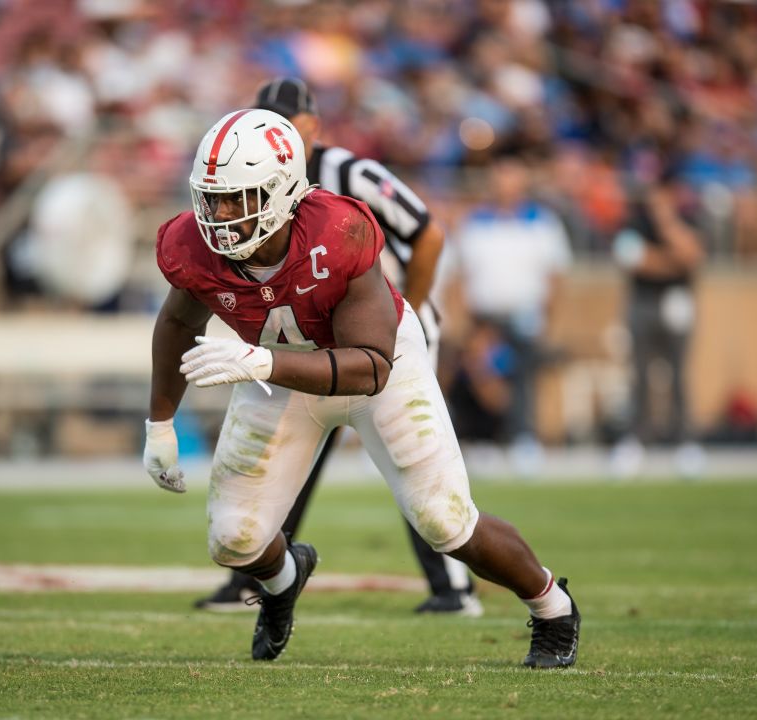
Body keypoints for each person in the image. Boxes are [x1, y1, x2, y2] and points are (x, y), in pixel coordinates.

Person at [144, 109, 581, 667]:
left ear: (280, 193)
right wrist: (159, 423)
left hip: (379, 369)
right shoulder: (193, 244)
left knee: (446, 522)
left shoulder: (338, 231)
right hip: (277, 375)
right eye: (212, 198)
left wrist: (258, 359)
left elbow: (370, 365)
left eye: (238, 198)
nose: (221, 215)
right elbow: (178, 322)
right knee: (234, 539)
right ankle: (283, 581)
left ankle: (553, 606)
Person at [192, 77, 480, 617]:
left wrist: (406, 313)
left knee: (410, 452)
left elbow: (428, 234)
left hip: (378, 331)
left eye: (291, 124)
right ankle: (256, 578)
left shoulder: (349, 172)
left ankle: (453, 588)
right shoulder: (251, 174)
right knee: (293, 445)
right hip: (311, 334)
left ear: (313, 127)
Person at [445, 147, 572, 477]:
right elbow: (460, 274)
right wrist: (463, 320)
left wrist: (550, 319)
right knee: (478, 378)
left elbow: (555, 275)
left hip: (525, 314)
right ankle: (484, 438)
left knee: (524, 378)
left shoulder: (542, 223)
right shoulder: (474, 222)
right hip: (485, 317)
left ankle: (523, 438)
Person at [609, 166, 706, 478]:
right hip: (643, 304)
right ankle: (636, 439)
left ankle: (685, 442)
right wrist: (671, 262)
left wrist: (667, 227)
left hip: (678, 306)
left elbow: (692, 256)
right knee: (640, 374)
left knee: (679, 375)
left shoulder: (687, 220)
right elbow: (635, 262)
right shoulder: (634, 222)